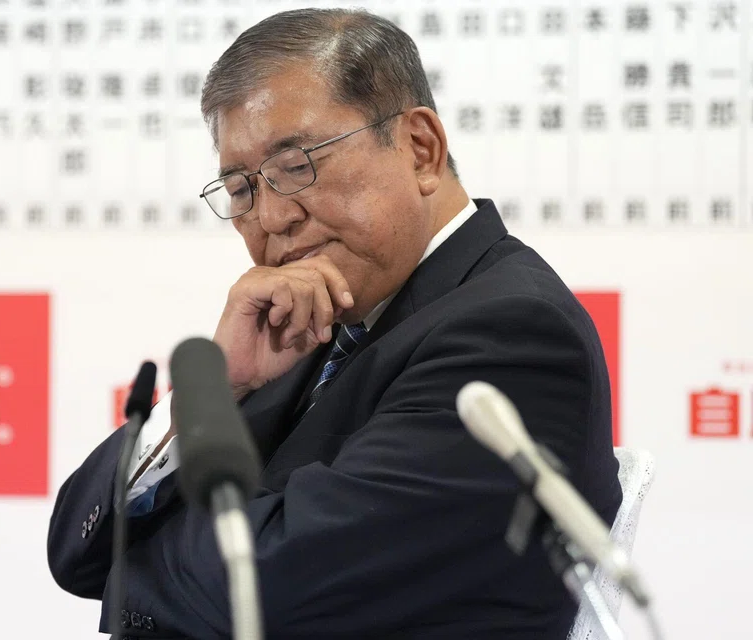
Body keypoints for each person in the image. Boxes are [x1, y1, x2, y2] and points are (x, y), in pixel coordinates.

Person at [48, 8, 622, 639]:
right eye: (240, 189)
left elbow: (265, 589)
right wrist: (216, 392)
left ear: (420, 148)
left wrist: (134, 555)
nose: (270, 218)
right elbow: (75, 553)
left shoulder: (512, 336)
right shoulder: (315, 317)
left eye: (296, 166)